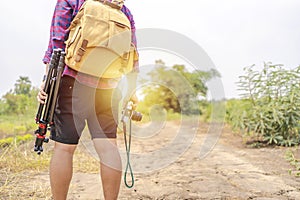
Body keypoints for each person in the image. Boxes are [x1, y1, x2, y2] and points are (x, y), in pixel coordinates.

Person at [37, 0, 139, 199]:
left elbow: (57, 42)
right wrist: (132, 90)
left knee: (64, 149)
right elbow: (133, 54)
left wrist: (47, 81)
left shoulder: (71, 1)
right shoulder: (122, 9)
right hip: (109, 87)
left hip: (72, 82)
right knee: (109, 148)